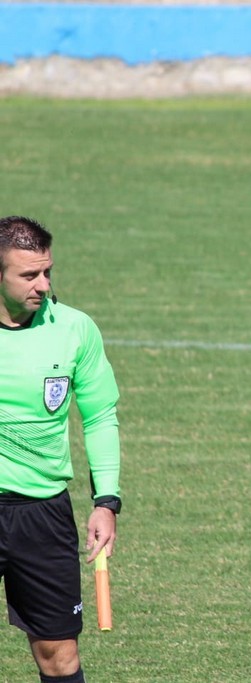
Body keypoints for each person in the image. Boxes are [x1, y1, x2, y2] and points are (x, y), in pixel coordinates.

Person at [0, 216, 122, 683]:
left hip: (42, 515)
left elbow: (100, 416)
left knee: (58, 656)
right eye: (29, 275)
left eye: (47, 271)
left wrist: (106, 501)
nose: (44, 285)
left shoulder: (74, 329)